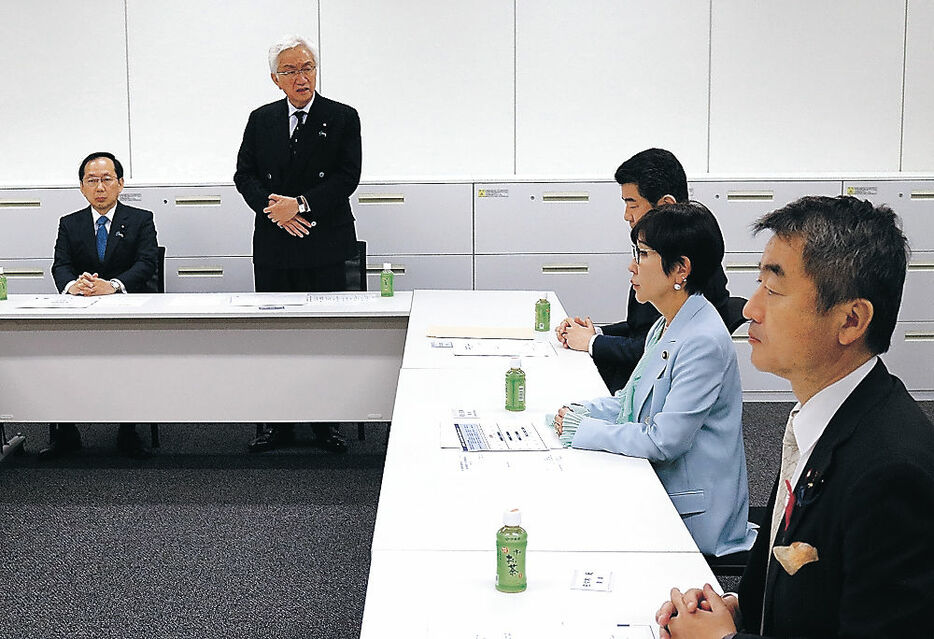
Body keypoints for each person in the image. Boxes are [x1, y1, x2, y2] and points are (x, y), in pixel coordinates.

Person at [654, 196, 934, 639]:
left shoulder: (893, 472)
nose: (750, 309)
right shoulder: (819, 416)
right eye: (759, 283)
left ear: (851, 320)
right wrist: (738, 610)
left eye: (775, 289)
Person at [552, 202, 756, 557]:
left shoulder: (703, 340)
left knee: (573, 520)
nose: (633, 266)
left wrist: (583, 430)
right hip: (664, 482)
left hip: (693, 514)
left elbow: (665, 441)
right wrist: (579, 411)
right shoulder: (667, 323)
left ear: (680, 269)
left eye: (643, 254)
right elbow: (631, 401)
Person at [234, 34, 362, 454]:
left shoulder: (343, 117)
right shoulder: (261, 118)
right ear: (276, 79)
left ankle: (326, 422)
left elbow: (347, 177)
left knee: (323, 334)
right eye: (290, 70)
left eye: (307, 67)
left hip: (325, 239)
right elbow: (244, 175)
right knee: (277, 334)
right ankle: (278, 422)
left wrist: (301, 205)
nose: (301, 77)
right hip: (275, 243)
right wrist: (277, 211)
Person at [556, 148, 730, 394]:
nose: (627, 216)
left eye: (632, 204)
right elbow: (642, 328)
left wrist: (592, 342)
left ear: (666, 205)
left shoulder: (686, 268)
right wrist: (596, 333)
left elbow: (652, 348)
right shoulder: (668, 261)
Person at [44, 151, 159, 459]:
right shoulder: (69, 224)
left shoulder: (140, 219)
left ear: (120, 184)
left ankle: (128, 430)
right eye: (91, 181)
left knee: (128, 361)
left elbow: (147, 263)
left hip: (127, 310)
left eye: (106, 180)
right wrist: (73, 286)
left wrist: (114, 285)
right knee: (58, 360)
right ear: (81, 187)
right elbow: (60, 266)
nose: (99, 187)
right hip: (81, 311)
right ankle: (66, 432)